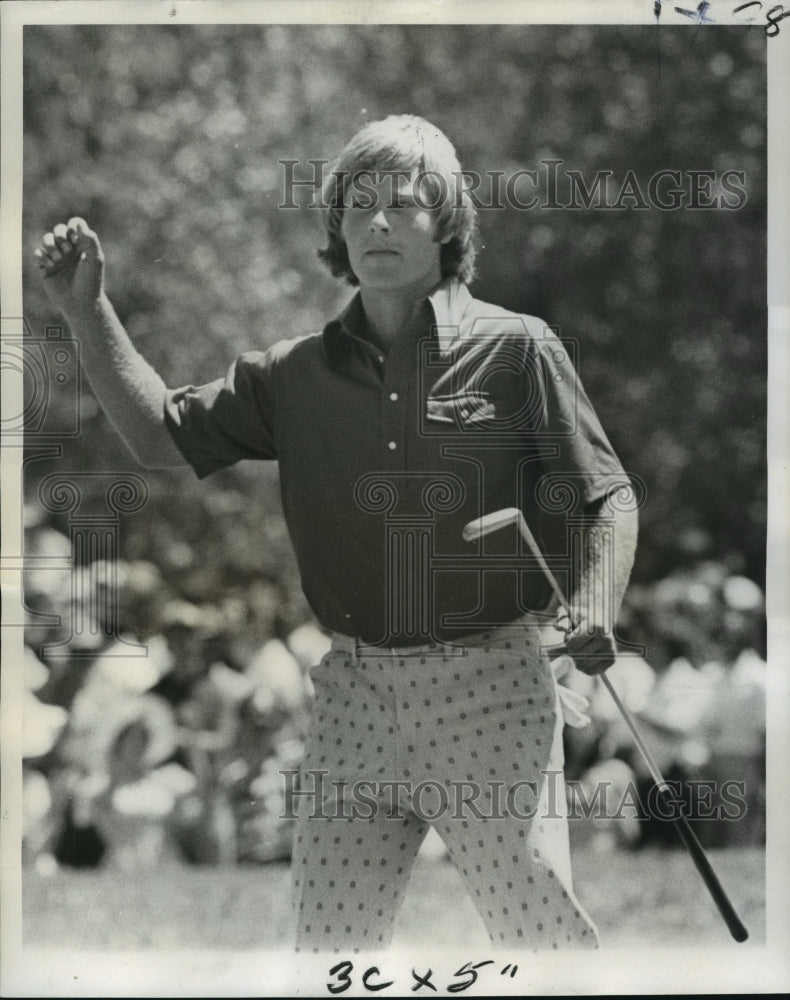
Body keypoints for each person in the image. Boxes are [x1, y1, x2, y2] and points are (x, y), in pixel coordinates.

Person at [35, 114, 638, 952]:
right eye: (358, 205)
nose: (378, 221)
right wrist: (86, 310)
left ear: (450, 223)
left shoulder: (519, 348)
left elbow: (609, 498)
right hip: (351, 690)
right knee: (329, 950)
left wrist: (596, 604)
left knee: (539, 936)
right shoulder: (293, 373)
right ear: (337, 229)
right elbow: (158, 435)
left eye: (403, 202)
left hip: (493, 683)